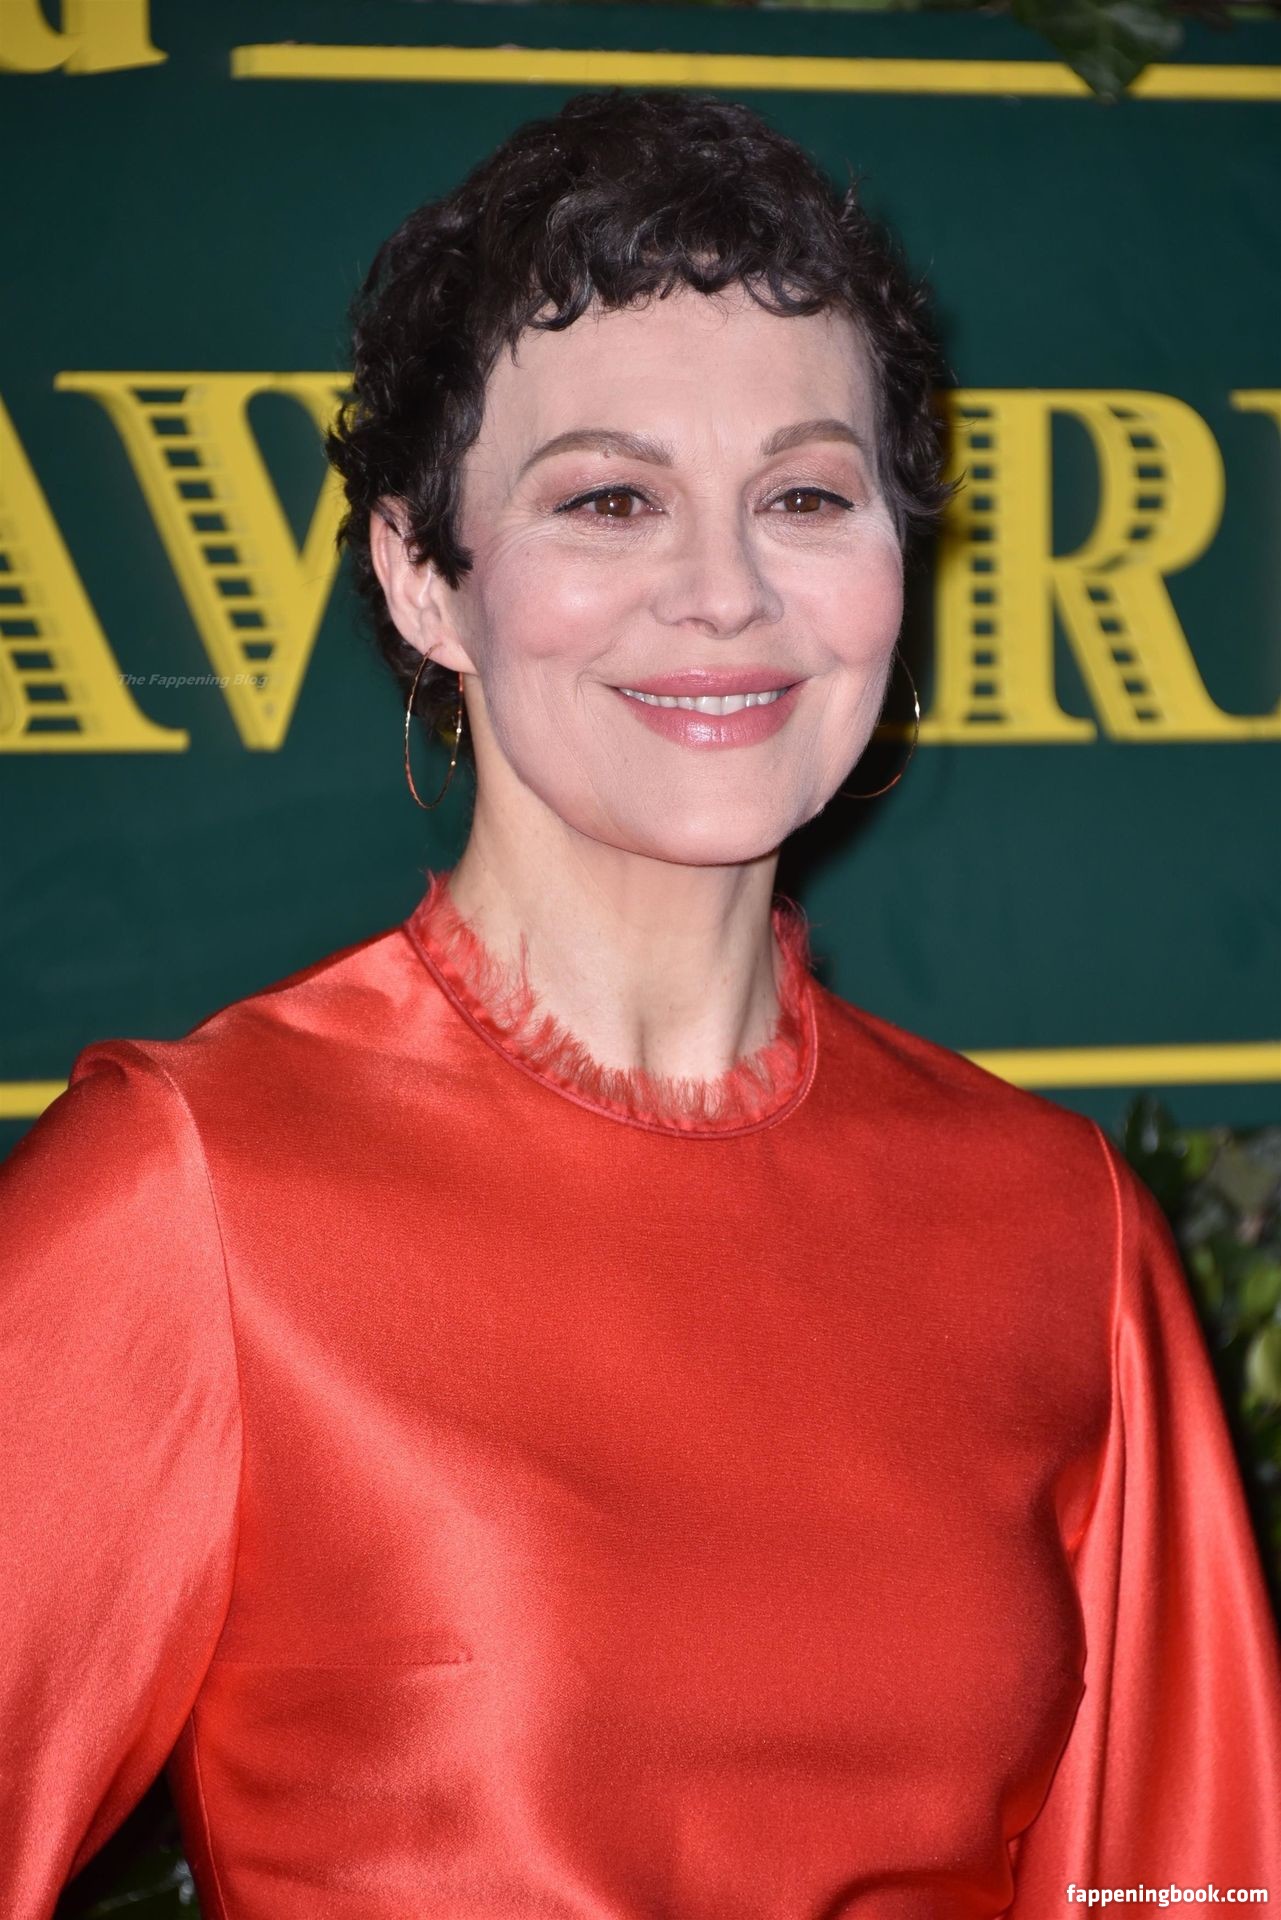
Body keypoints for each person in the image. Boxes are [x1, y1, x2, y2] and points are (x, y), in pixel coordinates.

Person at [2, 86, 1278, 1920]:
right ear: (424, 579)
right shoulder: (190, 1192)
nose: (722, 593)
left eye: (804, 497)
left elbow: (1186, 1884)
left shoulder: (1056, 1228)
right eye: (609, 499)